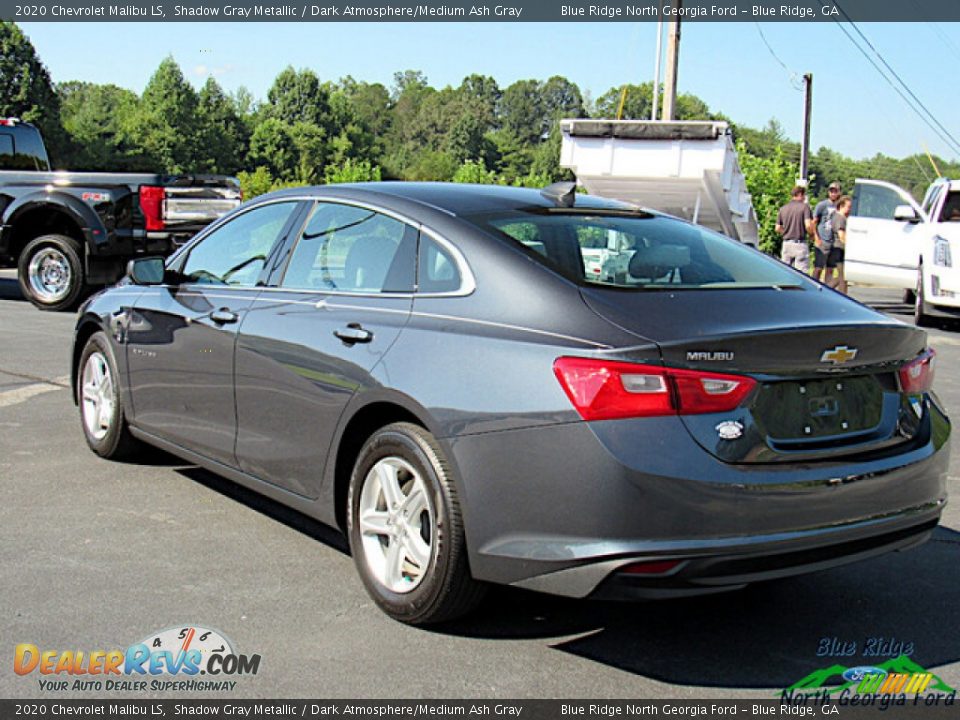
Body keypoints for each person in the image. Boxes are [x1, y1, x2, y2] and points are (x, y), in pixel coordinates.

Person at [776, 185, 814, 272]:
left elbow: (777, 228)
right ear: (800, 194)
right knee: (801, 273)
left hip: (786, 244)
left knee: (786, 272)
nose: (804, 198)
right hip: (800, 243)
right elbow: (808, 225)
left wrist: (787, 232)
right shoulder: (804, 207)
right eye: (804, 195)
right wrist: (811, 234)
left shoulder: (783, 208)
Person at [812, 181, 842, 282]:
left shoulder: (840, 206)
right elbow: (814, 222)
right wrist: (816, 237)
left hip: (834, 241)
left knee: (830, 269)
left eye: (835, 191)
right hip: (823, 240)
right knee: (818, 268)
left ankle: (827, 288)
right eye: (831, 191)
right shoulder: (822, 205)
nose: (833, 193)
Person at [828, 195, 852, 294]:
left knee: (843, 275)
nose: (850, 210)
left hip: (836, 249)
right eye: (848, 207)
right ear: (841, 206)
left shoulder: (836, 216)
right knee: (843, 275)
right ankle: (840, 293)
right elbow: (841, 235)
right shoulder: (840, 218)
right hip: (839, 249)